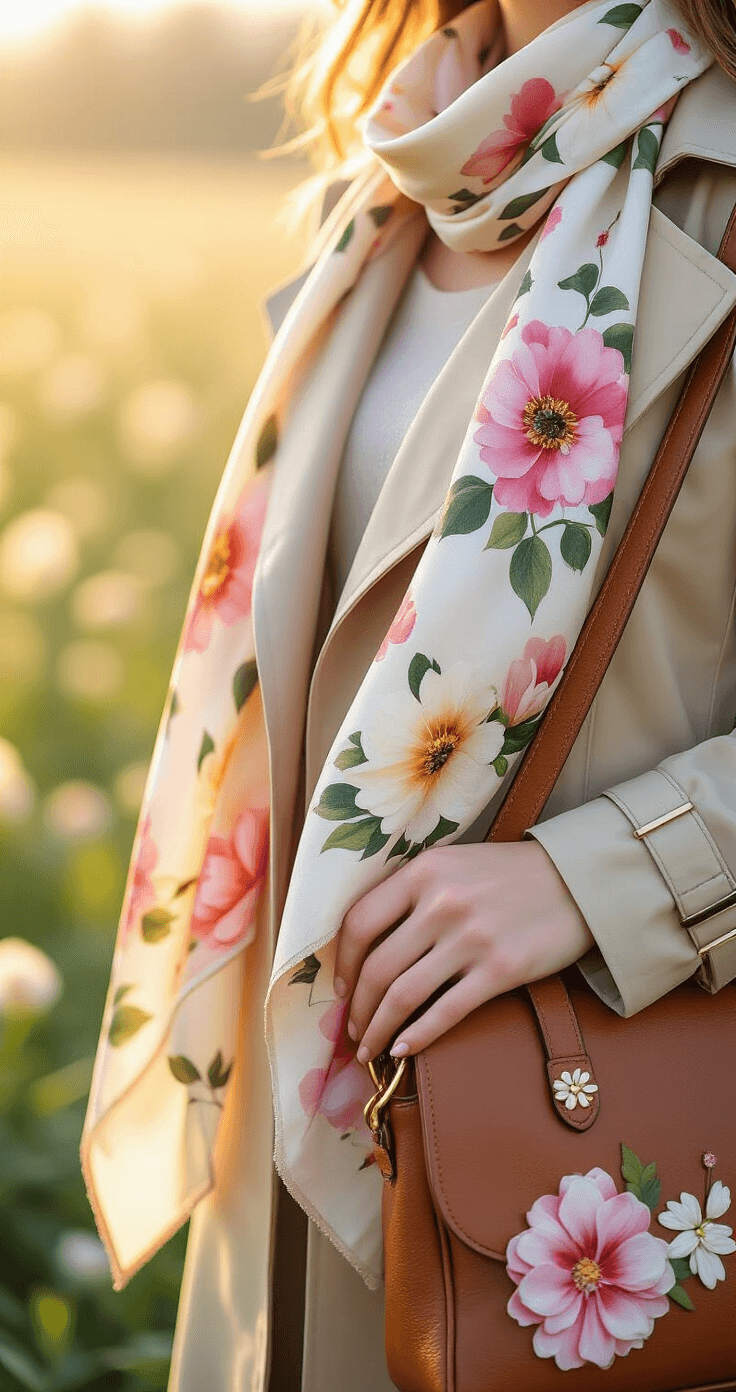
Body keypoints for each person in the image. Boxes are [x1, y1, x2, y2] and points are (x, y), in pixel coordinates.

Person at [81, 0, 736, 1388]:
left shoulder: (719, 180)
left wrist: (600, 877)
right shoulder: (387, 176)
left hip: (576, 1149)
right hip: (298, 1146)